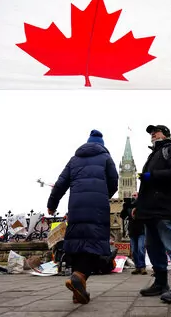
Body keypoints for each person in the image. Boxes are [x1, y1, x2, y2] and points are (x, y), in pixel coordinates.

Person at [47, 130, 119, 304]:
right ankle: (79, 277)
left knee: (79, 243)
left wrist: (52, 204)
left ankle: (78, 292)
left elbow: (60, 183)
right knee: (94, 246)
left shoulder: (74, 160)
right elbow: (114, 182)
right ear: (101, 145)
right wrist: (104, 194)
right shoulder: (106, 158)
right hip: (98, 207)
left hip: (76, 206)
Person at [134, 124, 171, 303]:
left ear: (165, 134)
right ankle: (160, 283)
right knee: (154, 248)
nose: (152, 134)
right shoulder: (154, 154)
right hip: (149, 210)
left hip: (165, 208)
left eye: (155, 131)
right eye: (151, 132)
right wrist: (138, 206)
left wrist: (152, 175)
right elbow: (147, 187)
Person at [120, 192, 147, 275]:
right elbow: (123, 216)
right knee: (134, 250)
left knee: (140, 248)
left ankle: (142, 267)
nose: (133, 197)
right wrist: (125, 208)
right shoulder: (129, 206)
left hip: (141, 230)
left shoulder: (142, 205)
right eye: (132, 195)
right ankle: (137, 267)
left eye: (135, 195)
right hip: (132, 231)